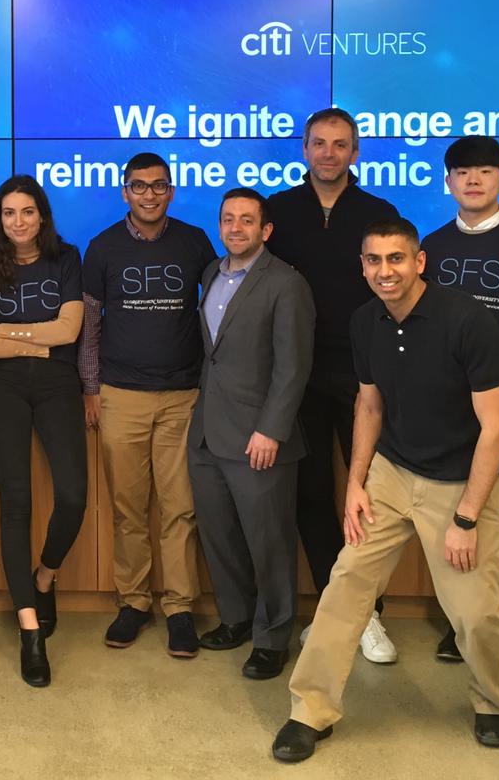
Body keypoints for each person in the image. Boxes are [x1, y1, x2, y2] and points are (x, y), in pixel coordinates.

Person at [273, 218, 499, 764]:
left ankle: (493, 700)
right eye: (374, 261)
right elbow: (369, 404)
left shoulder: (468, 321)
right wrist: (357, 483)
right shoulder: (366, 322)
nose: (386, 271)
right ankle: (309, 710)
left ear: (419, 261)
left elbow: (497, 428)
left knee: (476, 613)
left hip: (463, 485)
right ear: (362, 266)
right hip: (392, 473)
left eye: (397, 259)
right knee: (345, 588)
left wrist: (466, 519)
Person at [266, 107, 400, 664]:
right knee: (312, 493)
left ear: (355, 151)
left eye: (340, 144)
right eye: (319, 143)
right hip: (296, 375)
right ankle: (332, 602)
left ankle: (368, 612)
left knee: (370, 498)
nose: (328, 153)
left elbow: (398, 292)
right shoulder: (278, 211)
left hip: (364, 375)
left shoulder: (377, 212)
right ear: (304, 148)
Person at [79, 152, 216, 657]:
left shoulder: (194, 241)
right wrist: (91, 390)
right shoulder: (103, 247)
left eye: (159, 186)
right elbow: (91, 326)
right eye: (139, 187)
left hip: (184, 395)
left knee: (181, 508)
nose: (150, 195)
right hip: (120, 395)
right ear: (125, 191)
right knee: (128, 508)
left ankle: (179, 608)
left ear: (171, 190)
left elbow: (218, 309)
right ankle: (134, 602)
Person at [419, 136, 499, 674]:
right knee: (454, 514)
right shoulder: (432, 248)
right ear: (447, 182)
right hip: (446, 407)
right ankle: (461, 622)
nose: (472, 180)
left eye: (485, 171)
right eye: (462, 172)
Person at [189, 188, 314, 681]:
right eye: (227, 219)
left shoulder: (287, 284)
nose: (235, 228)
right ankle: (237, 619)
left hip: (260, 439)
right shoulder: (210, 274)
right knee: (220, 536)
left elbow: (293, 367)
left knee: (269, 543)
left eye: (246, 220)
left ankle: (272, 637)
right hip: (208, 434)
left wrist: (271, 430)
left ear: (266, 230)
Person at [0, 174, 86, 687]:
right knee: (15, 504)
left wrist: (10, 333)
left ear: (42, 215)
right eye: (8, 213)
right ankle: (29, 629)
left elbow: (69, 331)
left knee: (74, 495)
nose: (18, 222)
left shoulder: (67, 258)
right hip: (4, 389)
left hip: (59, 384)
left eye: (27, 211)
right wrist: (37, 342)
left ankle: (46, 574)